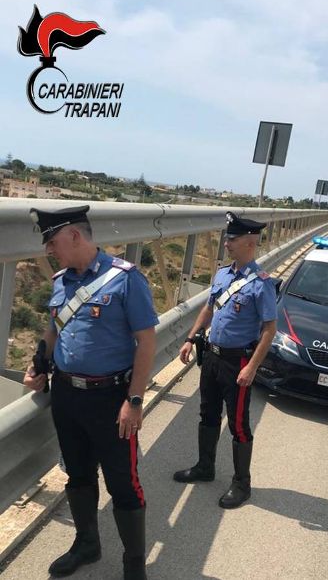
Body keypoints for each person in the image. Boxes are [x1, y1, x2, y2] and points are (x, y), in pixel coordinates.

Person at [23, 205, 158, 580]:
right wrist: (39, 363)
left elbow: (146, 341)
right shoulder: (61, 280)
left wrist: (134, 401)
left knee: (123, 483)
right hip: (67, 397)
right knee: (78, 475)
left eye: (52, 242)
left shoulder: (126, 279)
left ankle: (134, 566)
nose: (50, 250)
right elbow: (55, 330)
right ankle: (87, 544)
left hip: (111, 401)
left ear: (75, 236)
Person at [174, 211, 277, 508]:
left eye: (232, 239)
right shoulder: (222, 274)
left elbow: (270, 330)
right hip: (213, 358)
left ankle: (241, 484)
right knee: (207, 414)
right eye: (227, 238)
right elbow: (208, 309)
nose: (226, 243)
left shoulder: (261, 283)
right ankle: (205, 468)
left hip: (238, 363)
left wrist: (253, 369)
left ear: (249, 242)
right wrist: (190, 338)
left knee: (238, 424)